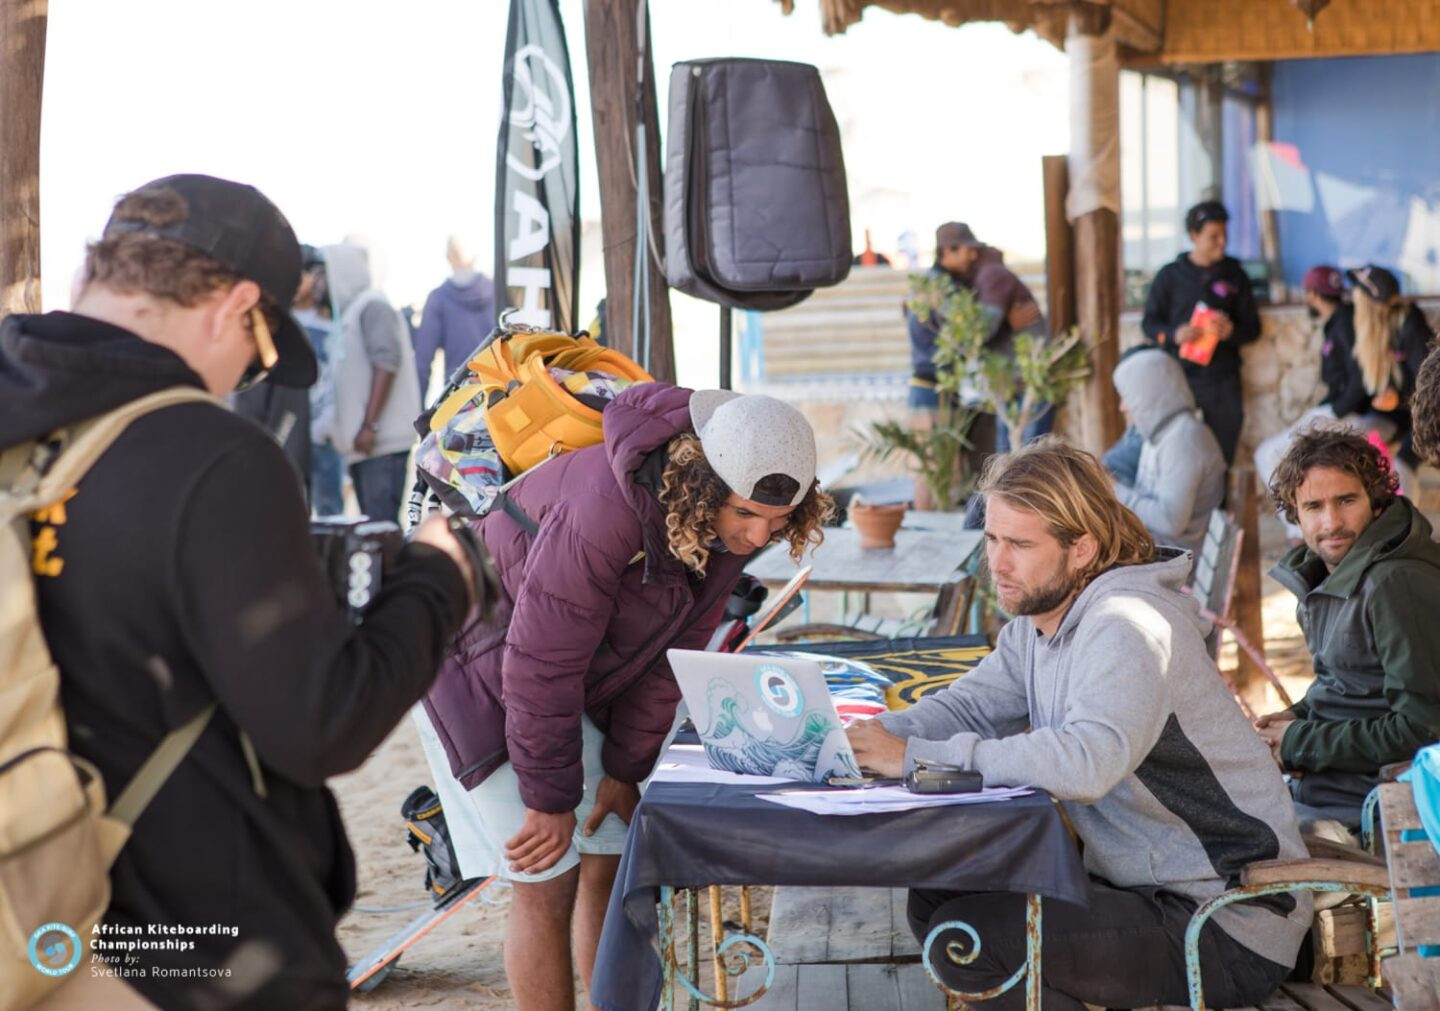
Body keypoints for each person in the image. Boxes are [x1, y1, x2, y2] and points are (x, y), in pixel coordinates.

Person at [4, 174, 481, 1009]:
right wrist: (439, 577)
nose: (245, 380)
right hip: (203, 946)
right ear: (236, 305)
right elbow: (322, 723)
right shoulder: (211, 454)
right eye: (262, 355)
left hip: (33, 913)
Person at [845, 438, 1309, 1009]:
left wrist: (913, 756)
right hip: (1143, 889)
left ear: (1082, 548)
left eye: (1019, 544)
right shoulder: (1039, 624)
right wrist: (863, 741)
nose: (998, 562)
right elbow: (966, 708)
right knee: (937, 897)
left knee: (970, 941)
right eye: (992, 538)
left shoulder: (1127, 624)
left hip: (1226, 917)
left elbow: (1087, 761)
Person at [414, 385, 832, 1010]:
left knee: (609, 859)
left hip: (580, 670)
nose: (757, 534)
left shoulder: (724, 528)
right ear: (704, 485)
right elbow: (539, 665)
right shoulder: (603, 509)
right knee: (546, 877)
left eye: (777, 523)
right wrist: (549, 800)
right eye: (746, 514)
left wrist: (622, 771)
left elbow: (671, 661)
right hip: (476, 663)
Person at [1259, 424, 1440, 837]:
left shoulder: (1395, 583)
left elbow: (1422, 729)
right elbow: (1353, 686)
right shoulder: (1331, 574)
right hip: (1330, 785)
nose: (1332, 522)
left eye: (1346, 501)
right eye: (1314, 507)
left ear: (1376, 501)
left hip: (1373, 803)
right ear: (1294, 514)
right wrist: (1296, 716)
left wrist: (1299, 742)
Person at [905, 221, 1047, 509]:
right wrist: (1010, 323)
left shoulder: (949, 286)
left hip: (941, 387)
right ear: (948, 251)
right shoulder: (938, 289)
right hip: (932, 387)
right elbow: (970, 336)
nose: (972, 257)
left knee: (945, 472)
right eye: (967, 250)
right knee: (933, 471)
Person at [1141, 200, 1261, 463]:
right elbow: (1149, 324)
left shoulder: (1235, 274)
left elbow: (1252, 328)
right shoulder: (1170, 276)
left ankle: (1220, 504)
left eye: (1225, 236)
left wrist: (1231, 331)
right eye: (1213, 236)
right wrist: (1174, 334)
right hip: (1181, 377)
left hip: (1223, 378)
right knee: (1181, 450)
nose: (1221, 242)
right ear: (1194, 236)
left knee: (1224, 449)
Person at [321, 241, 422, 524]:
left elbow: (387, 363)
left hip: (381, 446)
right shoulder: (351, 313)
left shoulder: (373, 305)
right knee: (368, 537)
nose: (319, 284)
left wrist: (369, 425)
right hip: (363, 449)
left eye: (323, 275)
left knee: (380, 535)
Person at [1111, 347, 1226, 556]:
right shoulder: (1162, 433)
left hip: (1176, 559)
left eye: (1127, 396)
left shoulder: (1184, 440)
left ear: (1148, 392)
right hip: (1155, 547)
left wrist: (1113, 488)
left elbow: (1170, 522)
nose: (1122, 407)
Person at [413, 234, 496, 399]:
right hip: (497, 391)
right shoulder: (499, 291)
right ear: (475, 256)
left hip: (458, 396)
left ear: (448, 257)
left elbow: (422, 361)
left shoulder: (438, 298)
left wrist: (420, 410)